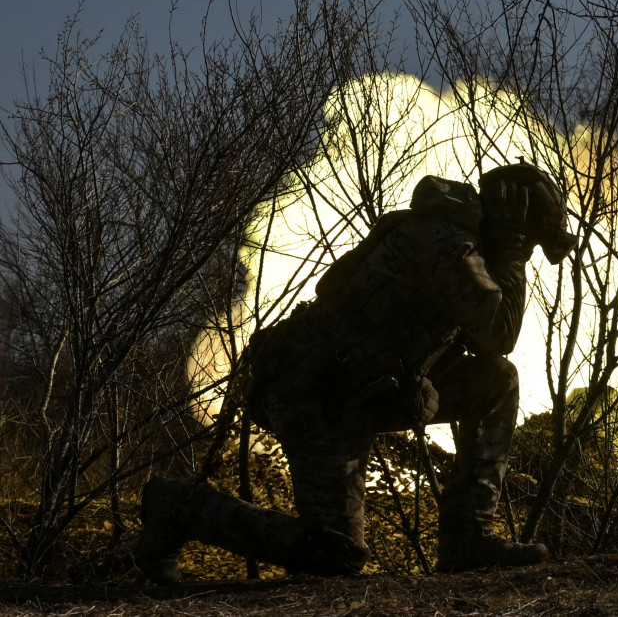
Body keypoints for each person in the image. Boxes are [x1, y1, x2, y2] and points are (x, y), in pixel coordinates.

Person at [135, 162, 578, 582]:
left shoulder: (459, 241)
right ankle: (177, 507)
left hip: (362, 394)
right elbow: (500, 334)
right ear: (510, 218)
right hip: (316, 397)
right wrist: (508, 244)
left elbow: (486, 348)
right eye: (530, 241)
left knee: (496, 380)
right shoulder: (444, 242)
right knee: (336, 555)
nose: (528, 252)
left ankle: (468, 540)